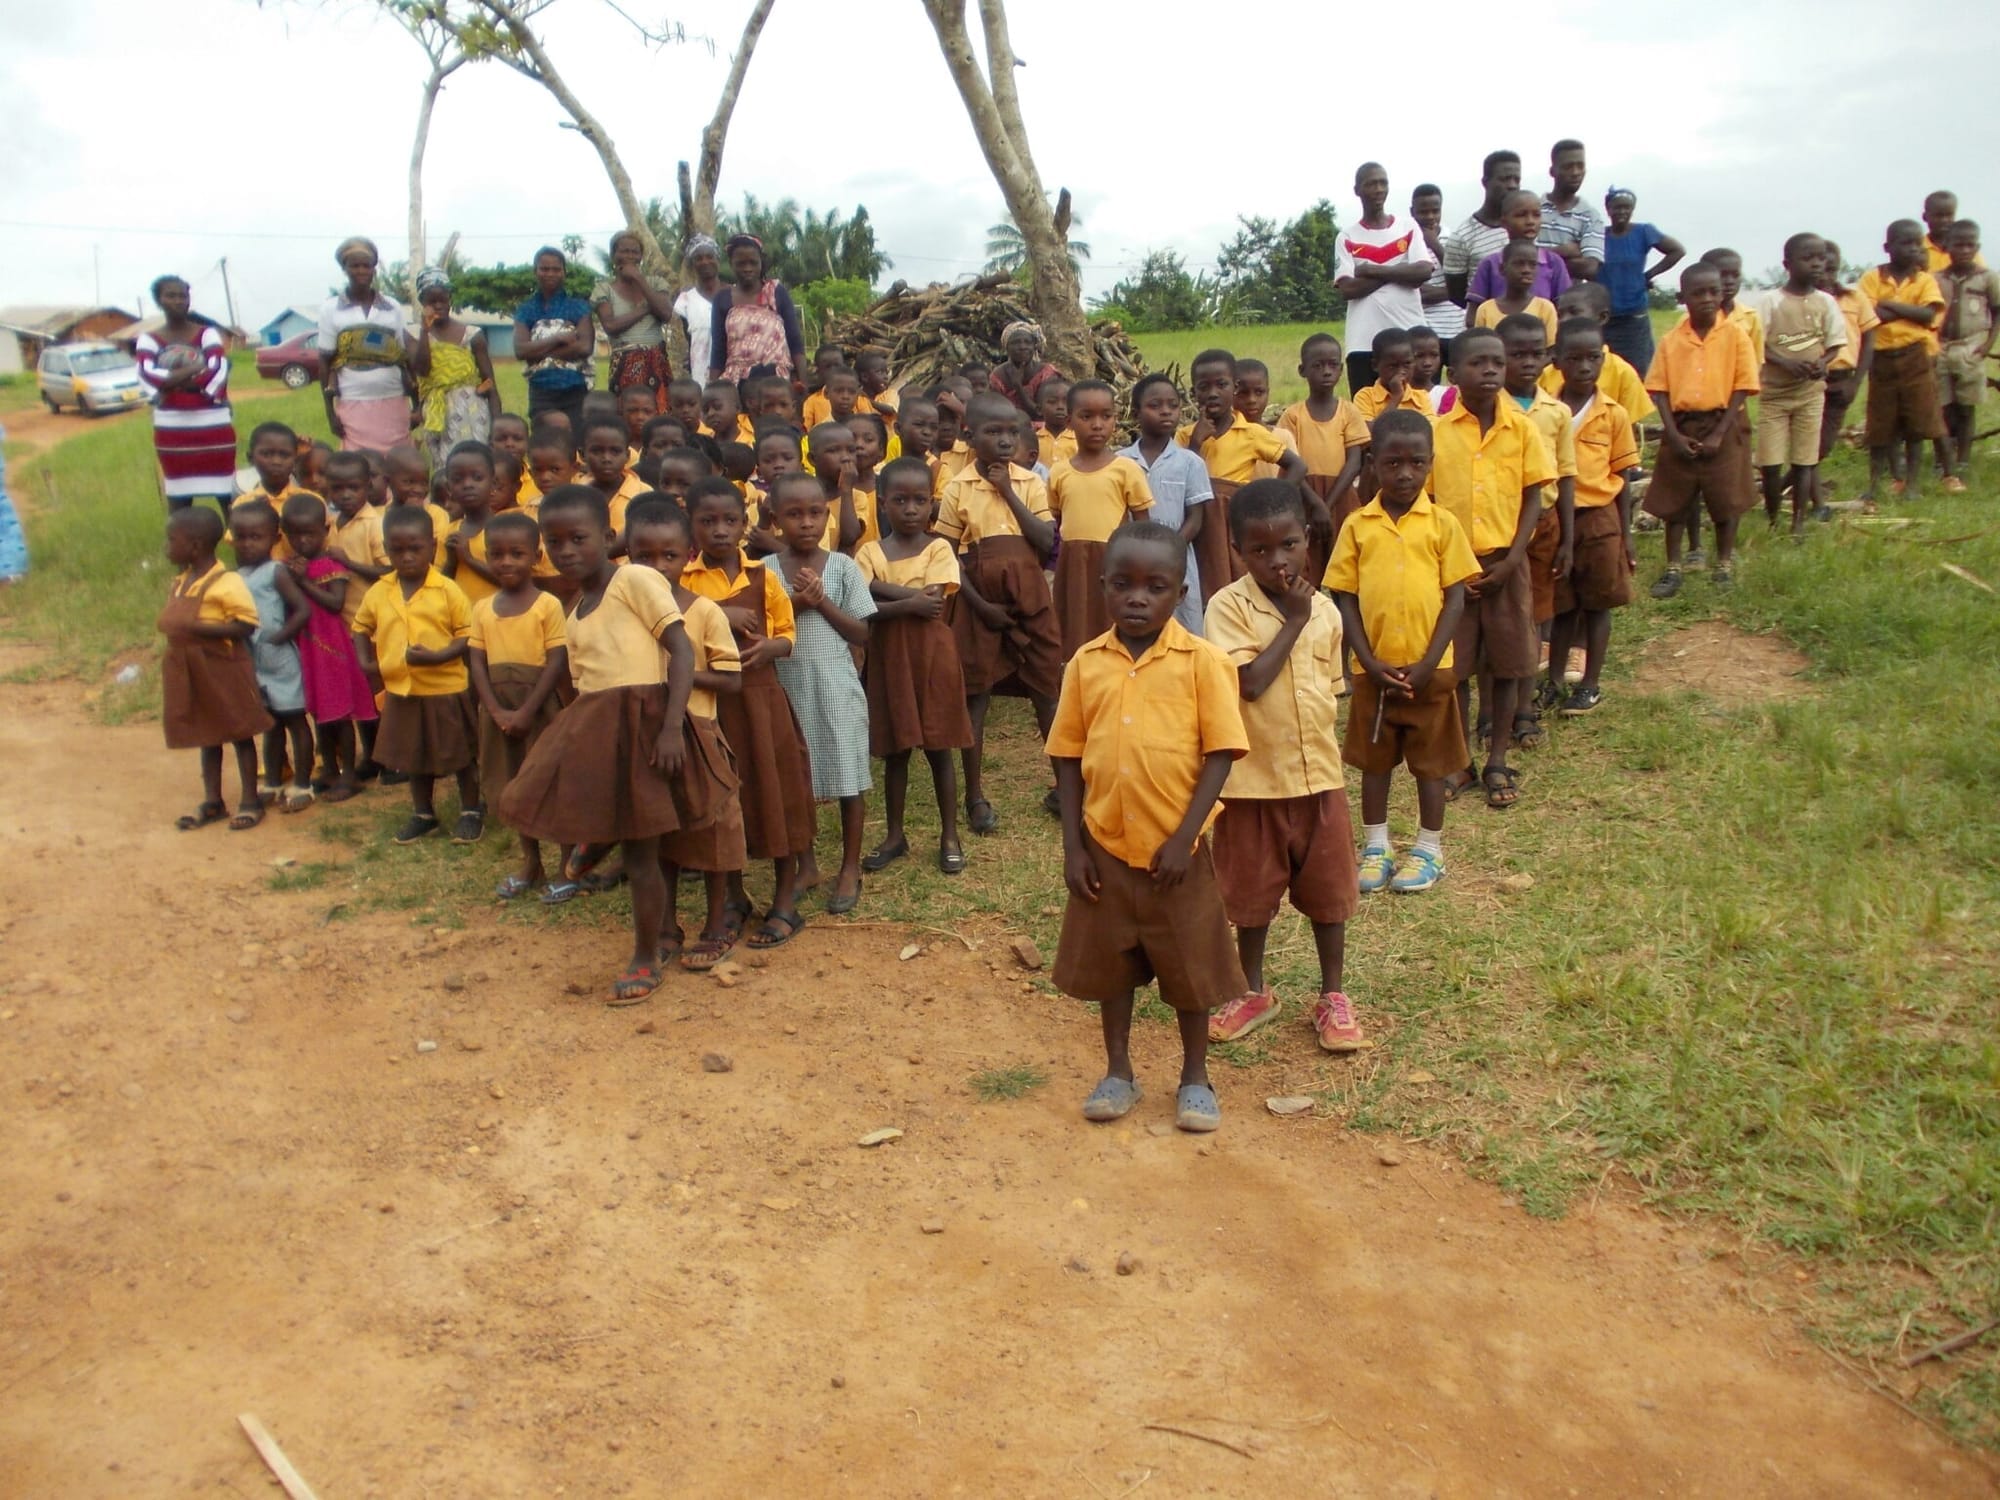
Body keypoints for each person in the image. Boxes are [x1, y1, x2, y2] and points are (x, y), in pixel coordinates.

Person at [1048, 520, 1250, 1134]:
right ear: (1104, 587)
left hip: (1176, 856)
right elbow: (1066, 755)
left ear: (1179, 591)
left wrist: (1186, 836)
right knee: (1113, 966)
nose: (1138, 598)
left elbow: (1220, 752)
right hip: (1105, 848)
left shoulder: (1203, 662)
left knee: (1190, 970)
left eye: (1155, 586)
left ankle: (1194, 1077)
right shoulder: (1085, 665)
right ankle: (1118, 1071)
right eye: (1124, 585)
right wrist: (1074, 848)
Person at [499, 486, 699, 1003]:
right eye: (554, 541)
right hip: (599, 726)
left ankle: (644, 957)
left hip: (648, 727)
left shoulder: (634, 579)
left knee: (642, 854)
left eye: (579, 539)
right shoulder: (576, 609)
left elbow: (680, 649)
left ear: (610, 538)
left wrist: (673, 725)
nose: (565, 551)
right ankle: (598, 838)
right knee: (541, 785)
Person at [1204, 481, 1364, 1052]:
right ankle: (1252, 989)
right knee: (1249, 896)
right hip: (1252, 782)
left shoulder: (1326, 612)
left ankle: (1333, 995)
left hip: (1319, 777)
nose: (1277, 561)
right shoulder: (1227, 608)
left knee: (1329, 892)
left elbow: (1330, 689)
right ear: (1238, 550)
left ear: (1307, 540)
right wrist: (1291, 621)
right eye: (1260, 550)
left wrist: (1304, 616)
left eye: (1289, 545)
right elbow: (1246, 683)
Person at [1323, 410, 1478, 894]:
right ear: (1372, 464)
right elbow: (1342, 595)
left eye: (1416, 463)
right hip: (1374, 672)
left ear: (1431, 463)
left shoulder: (1442, 524)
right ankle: (1376, 846)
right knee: (1374, 762)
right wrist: (1365, 660)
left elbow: (1455, 594)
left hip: (1431, 672)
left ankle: (1429, 851)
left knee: (1432, 765)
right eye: (1393, 463)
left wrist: (1431, 662)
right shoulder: (1357, 525)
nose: (1405, 474)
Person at [680, 477, 815, 950]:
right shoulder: (684, 580)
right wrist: (721, 612)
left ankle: (784, 902)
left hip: (761, 702)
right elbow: (674, 625)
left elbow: (788, 631)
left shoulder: (763, 575)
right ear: (690, 525)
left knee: (776, 795)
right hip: (711, 707)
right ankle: (732, 899)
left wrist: (771, 647)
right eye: (707, 522)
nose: (720, 531)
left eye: (730, 521)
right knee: (723, 805)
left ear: (745, 523)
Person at [1429, 326, 1554, 810]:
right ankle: (1460, 762)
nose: (1490, 372)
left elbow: (1533, 497)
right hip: (1453, 570)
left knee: (1508, 665)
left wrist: (1514, 559)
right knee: (1456, 671)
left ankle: (1497, 758)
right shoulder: (1439, 434)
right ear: (1453, 373)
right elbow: (1433, 504)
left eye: (1496, 364)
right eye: (1478, 363)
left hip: (1506, 565)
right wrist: (1450, 567)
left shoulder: (1522, 428)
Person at [622, 497, 747, 969]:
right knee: (662, 835)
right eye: (643, 557)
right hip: (648, 738)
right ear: (626, 556)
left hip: (699, 732)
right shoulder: (627, 611)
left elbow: (731, 678)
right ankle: (667, 926)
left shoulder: (704, 611)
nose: (656, 567)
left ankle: (716, 924)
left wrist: (682, 673)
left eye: (668, 556)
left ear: (688, 554)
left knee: (713, 829)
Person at [938, 392, 1064, 829]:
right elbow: (948, 554)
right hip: (980, 600)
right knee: (977, 694)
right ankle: (975, 797)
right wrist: (978, 606)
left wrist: (1008, 490)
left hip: (1029, 596)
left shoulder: (1029, 482)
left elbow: (1046, 542)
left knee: (1048, 689)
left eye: (1012, 431)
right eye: (994, 432)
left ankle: (1065, 789)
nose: (1006, 440)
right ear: (969, 436)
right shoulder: (956, 487)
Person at [766, 473, 878, 917]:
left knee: (848, 773)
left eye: (815, 513)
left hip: (834, 682)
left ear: (827, 515)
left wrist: (820, 602)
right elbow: (764, 626)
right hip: (786, 686)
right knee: (797, 779)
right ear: (775, 520)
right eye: (794, 514)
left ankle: (850, 866)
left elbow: (862, 632)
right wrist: (794, 603)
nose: (806, 522)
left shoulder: (843, 567)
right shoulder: (767, 572)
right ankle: (806, 863)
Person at [857, 457, 973, 878]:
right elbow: (862, 603)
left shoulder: (939, 547)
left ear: (932, 504)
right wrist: (905, 602)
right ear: (882, 503)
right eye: (900, 500)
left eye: (920, 500)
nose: (910, 509)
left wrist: (881, 596)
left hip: (931, 660)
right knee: (896, 752)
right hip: (890, 662)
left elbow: (934, 603)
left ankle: (949, 835)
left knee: (940, 749)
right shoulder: (869, 550)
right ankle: (894, 835)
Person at [353, 505, 483, 845]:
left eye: (415, 548)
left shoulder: (446, 589)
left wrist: (439, 655)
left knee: (460, 754)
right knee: (413, 755)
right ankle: (423, 813)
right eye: (397, 549)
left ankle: (471, 809)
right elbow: (360, 625)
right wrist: (366, 663)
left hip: (445, 687)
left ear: (432, 544)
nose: (407, 556)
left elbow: (467, 634)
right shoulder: (381, 590)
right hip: (403, 688)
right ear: (386, 547)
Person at [466, 509, 570, 901]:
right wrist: (495, 711)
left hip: (538, 706)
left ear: (535, 555)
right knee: (510, 785)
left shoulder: (548, 605)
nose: (506, 562)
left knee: (548, 783)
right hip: (498, 711)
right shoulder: (482, 609)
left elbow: (556, 660)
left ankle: (565, 864)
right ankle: (531, 861)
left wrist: (526, 712)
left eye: (516, 553)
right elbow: (477, 661)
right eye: (497, 554)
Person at [1643, 262, 1759, 598]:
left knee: (1727, 497)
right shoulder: (1670, 341)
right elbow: (1659, 389)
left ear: (1723, 294)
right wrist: (1673, 434)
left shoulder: (1736, 335)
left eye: (1714, 291)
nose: (1707, 299)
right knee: (1674, 498)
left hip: (1724, 422)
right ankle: (1674, 567)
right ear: (1683, 298)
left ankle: (1723, 563)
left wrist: (1720, 433)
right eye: (1698, 293)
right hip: (1682, 424)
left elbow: (1743, 386)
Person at [1546, 320, 1642, 718]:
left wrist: (1626, 536)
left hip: (1600, 518)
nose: (1585, 366)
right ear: (1556, 361)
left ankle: (1590, 684)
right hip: (1555, 516)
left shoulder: (1614, 415)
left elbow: (1622, 479)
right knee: (1562, 605)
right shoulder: (1545, 409)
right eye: (1575, 358)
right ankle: (1552, 682)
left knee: (1598, 603)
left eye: (1593, 358)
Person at [159, 507, 272, 832]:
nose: (167, 547)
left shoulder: (227, 581)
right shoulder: (182, 581)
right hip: (190, 669)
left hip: (222, 667)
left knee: (239, 731)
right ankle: (213, 800)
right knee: (207, 734)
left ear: (194, 546)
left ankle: (250, 800)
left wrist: (196, 628)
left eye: (171, 540)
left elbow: (245, 626)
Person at [1497, 313, 1576, 745]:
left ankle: (1524, 709)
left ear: (1548, 357)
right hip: (1496, 528)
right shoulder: (1489, 407)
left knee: (1536, 619)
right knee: (1499, 620)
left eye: (1536, 353)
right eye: (1516, 355)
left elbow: (1566, 476)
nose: (1527, 362)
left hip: (1543, 525)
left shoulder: (1557, 412)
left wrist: (1566, 534)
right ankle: (1493, 713)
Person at [1179, 350, 1308, 606]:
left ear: (1234, 388)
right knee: (1207, 576)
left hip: (1236, 516)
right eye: (1204, 387)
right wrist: (1196, 444)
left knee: (1241, 573)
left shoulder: (1250, 433)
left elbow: (1297, 466)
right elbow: (1181, 479)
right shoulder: (1185, 435)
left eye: (1222, 385)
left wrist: (1270, 502)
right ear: (1193, 394)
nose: (1213, 393)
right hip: (1201, 518)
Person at [1750, 235, 1848, 533]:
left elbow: (1834, 343)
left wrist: (1823, 362)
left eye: (1821, 258)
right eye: (1809, 258)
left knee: (1805, 459)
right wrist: (1785, 362)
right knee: (1770, 461)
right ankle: (1773, 518)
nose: (1817, 263)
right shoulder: (1771, 302)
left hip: (1810, 394)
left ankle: (1798, 523)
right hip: (1775, 397)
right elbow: (1756, 344)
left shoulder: (1826, 302)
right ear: (1787, 265)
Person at [1049, 380, 1153, 660]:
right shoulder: (1059, 472)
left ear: (1115, 421)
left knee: (1108, 616)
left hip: (1112, 560)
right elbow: (1055, 521)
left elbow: (1142, 526)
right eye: (1087, 417)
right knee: (1074, 618)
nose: (1097, 425)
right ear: (1069, 421)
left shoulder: (1126, 469)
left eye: (1106, 417)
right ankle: (1075, 673)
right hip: (1072, 560)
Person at [1859, 221, 1954, 499]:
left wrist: (1890, 306)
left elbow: (1928, 316)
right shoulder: (1872, 278)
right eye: (1905, 243)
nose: (1913, 249)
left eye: (1917, 244)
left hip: (1916, 357)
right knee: (1880, 423)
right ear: (1888, 248)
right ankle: (1875, 484)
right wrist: (1908, 311)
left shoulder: (1924, 279)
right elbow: (1869, 316)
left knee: (1917, 422)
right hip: (1882, 358)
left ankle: (1911, 485)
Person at [229, 501, 313, 814]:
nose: (247, 543)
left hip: (280, 659)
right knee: (270, 723)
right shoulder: (236, 575)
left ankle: (303, 782)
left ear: (274, 538)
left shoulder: (275, 571)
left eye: (256, 537)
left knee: (294, 719)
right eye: (241, 537)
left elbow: (302, 610)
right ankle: (274, 780)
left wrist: (279, 637)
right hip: (254, 660)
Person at [1121, 374, 1212, 637]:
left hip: (1177, 555)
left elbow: (1196, 517)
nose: (1166, 412)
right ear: (1136, 412)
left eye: (1172, 405)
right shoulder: (1121, 461)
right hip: (1131, 554)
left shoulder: (1190, 462)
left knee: (1183, 621)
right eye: (1155, 405)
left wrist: (1170, 546)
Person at [137, 274, 237, 512]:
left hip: (214, 429)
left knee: (229, 500)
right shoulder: (148, 339)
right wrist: (194, 369)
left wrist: (171, 380)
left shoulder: (207, 333)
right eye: (171, 295)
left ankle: (238, 548)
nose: (179, 301)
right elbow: (147, 375)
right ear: (158, 300)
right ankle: (186, 549)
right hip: (172, 432)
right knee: (179, 503)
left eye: (183, 295)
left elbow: (217, 368)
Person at [1335, 162, 1434, 396]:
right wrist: (1400, 270)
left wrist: (1372, 270)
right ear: (1357, 190)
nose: (1379, 189)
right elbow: (1348, 289)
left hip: (1409, 336)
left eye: (1383, 183)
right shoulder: (1347, 236)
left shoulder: (1407, 227)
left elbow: (1422, 272)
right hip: (1363, 343)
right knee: (1367, 414)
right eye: (1371, 184)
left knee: (1417, 406)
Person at [1277, 333, 1369, 580]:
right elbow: (1289, 464)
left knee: (1347, 568)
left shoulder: (1349, 411)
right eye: (1318, 366)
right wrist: (1316, 504)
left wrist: (1326, 505)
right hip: (1304, 494)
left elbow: (1354, 462)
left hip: (1341, 495)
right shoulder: (1293, 416)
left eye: (1333, 365)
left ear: (1341, 369)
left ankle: (1343, 617)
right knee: (1307, 568)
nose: (1326, 371)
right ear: (1302, 370)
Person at [318, 238, 417, 454]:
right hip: (354, 401)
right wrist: (330, 414)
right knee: (360, 466)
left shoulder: (392, 307)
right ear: (344, 269)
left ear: (374, 269)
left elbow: (404, 357)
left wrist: (417, 405)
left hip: (393, 399)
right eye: (355, 265)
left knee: (397, 462)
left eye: (367, 265)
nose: (362, 271)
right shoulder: (331, 309)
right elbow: (325, 361)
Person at [412, 269, 499, 470]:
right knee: (445, 468)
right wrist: (425, 332)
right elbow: (422, 371)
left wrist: (497, 424)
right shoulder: (415, 336)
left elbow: (490, 382)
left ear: (450, 299)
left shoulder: (472, 335)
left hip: (473, 410)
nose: (438, 306)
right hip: (437, 412)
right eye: (432, 302)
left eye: (443, 300)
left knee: (477, 464)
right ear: (422, 302)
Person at [1535, 282, 1654, 427]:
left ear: (1602, 317)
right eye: (1560, 315)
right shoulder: (1549, 373)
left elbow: (1630, 430)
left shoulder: (1622, 373)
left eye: (1574, 312)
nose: (1563, 320)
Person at [1598, 188, 1684, 374]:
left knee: (1638, 372)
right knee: (1605, 371)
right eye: (1617, 207)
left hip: (1634, 316)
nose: (1622, 212)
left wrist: (1649, 275)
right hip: (1604, 318)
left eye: (1627, 208)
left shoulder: (1644, 232)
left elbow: (1677, 250)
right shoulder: (1598, 235)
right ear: (1608, 208)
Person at [1937, 221, 2000, 473]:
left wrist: (1987, 344)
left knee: (1966, 406)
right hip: (1941, 347)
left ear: (1977, 247)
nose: (1964, 250)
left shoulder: (1988, 278)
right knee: (1943, 406)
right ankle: (1942, 459)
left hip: (1970, 347)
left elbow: (1997, 313)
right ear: (1946, 247)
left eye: (1969, 245)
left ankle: (1962, 459)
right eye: (1958, 244)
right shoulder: (1937, 279)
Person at [592, 230, 675, 412]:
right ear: (614, 256)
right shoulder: (604, 289)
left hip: (657, 362)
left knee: (660, 414)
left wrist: (639, 279)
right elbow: (611, 326)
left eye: (634, 252)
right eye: (624, 251)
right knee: (628, 417)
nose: (629, 256)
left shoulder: (655, 283)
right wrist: (645, 308)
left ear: (641, 256)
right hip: (624, 365)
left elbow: (665, 314)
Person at [514, 246, 595, 429]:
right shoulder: (526, 310)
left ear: (564, 273)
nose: (550, 274)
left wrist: (538, 351)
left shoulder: (578, 307)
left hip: (574, 388)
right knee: (545, 444)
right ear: (535, 271)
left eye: (556, 269)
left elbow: (584, 348)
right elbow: (520, 350)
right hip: (541, 389)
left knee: (575, 444)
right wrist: (557, 338)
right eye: (544, 269)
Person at [709, 234, 806, 385]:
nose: (748, 268)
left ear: (761, 262)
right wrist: (713, 388)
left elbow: (795, 342)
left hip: (776, 381)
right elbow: (718, 351)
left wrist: (803, 382)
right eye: (741, 263)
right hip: (737, 382)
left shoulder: (776, 292)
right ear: (731, 263)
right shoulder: (722, 299)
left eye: (753, 263)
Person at [1817, 241, 1878, 465]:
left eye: (1831, 269)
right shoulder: (1801, 301)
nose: (1825, 276)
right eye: (1820, 269)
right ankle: (1807, 494)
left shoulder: (1854, 298)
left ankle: (1784, 487)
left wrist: (1855, 382)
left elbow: (1869, 338)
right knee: (1807, 445)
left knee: (1824, 445)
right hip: (1809, 379)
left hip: (1841, 378)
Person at [1444, 150, 1522, 308]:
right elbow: (1457, 295)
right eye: (1505, 179)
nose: (1512, 185)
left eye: (1516, 179)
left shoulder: (1527, 227)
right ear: (1485, 182)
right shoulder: (1462, 237)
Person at [440, 441, 504, 609]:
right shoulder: (448, 532)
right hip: (460, 625)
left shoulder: (505, 530)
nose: (468, 485)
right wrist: (451, 562)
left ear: (494, 483)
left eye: (477, 477)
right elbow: (439, 586)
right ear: (449, 488)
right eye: (458, 479)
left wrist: (469, 559)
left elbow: (513, 581)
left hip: (497, 622)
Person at [1473, 239, 1561, 347]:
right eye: (1519, 264)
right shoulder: (1485, 310)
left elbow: (1551, 349)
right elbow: (1481, 348)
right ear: (1502, 269)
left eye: (1533, 265)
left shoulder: (1545, 308)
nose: (1526, 270)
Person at [1539, 140, 1605, 281]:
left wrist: (1539, 257)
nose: (1575, 173)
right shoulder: (1533, 210)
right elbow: (1516, 256)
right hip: (1532, 300)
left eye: (1580, 166)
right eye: (1568, 167)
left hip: (1568, 300)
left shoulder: (1591, 216)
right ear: (1552, 171)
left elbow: (1589, 268)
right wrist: (1563, 251)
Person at [1410, 184, 1465, 344]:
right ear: (1412, 212)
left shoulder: (1455, 239)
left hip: (1456, 328)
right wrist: (1453, 292)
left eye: (1435, 211)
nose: (1430, 216)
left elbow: (1464, 283)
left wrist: (1434, 244)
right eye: (1423, 212)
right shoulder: (1406, 243)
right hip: (1422, 331)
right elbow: (1419, 293)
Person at [674, 234, 726, 382]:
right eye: (698, 258)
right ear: (692, 264)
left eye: (710, 256)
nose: (705, 262)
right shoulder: (685, 301)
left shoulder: (733, 294)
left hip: (732, 373)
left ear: (718, 260)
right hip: (701, 374)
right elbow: (690, 339)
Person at [990, 321, 1062, 416]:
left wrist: (1018, 387)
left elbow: (1041, 414)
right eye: (1016, 342)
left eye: (1028, 342)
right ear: (1006, 347)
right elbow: (997, 413)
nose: (1022, 347)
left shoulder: (1046, 374)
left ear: (1034, 346)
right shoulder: (998, 376)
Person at [1036, 377, 1075, 468]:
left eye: (1067, 402)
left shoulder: (1080, 441)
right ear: (1039, 410)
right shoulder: (1034, 441)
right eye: (1052, 402)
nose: (1060, 407)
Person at [1923, 191, 1963, 273]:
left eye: (1949, 215)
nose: (1944, 220)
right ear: (1925, 217)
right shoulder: (1917, 248)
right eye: (1938, 215)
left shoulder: (1964, 249)